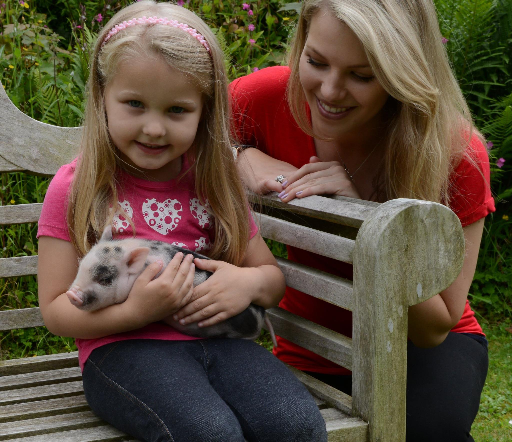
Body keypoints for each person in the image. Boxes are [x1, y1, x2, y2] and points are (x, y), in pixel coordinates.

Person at [36, 2, 327, 441]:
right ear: (102, 97)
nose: (154, 128)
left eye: (177, 110)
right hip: (122, 349)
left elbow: (270, 278)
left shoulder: (213, 181)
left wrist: (245, 284)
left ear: (203, 112)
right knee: (207, 433)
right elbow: (57, 310)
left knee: (297, 425)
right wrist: (136, 311)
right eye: (134, 104)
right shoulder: (78, 188)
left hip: (223, 343)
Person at [230, 0, 494, 440]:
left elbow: (434, 327)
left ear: (402, 73)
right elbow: (181, 132)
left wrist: (365, 221)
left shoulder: (454, 153)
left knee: (430, 429)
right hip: (311, 339)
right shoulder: (267, 97)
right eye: (315, 61)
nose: (330, 92)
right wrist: (241, 155)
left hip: (419, 345)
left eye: (362, 75)